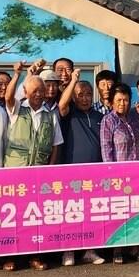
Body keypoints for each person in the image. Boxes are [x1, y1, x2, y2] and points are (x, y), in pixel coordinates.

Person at [2, 64, 64, 271]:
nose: (39, 94)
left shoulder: (51, 115)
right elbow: (8, 97)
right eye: (34, 90)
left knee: (35, 217)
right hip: (15, 172)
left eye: (41, 90)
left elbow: (56, 145)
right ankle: (10, 257)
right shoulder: (17, 108)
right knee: (13, 216)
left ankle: (35, 256)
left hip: (39, 174)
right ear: (26, 92)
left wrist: (51, 169)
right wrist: (18, 74)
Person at [54, 70, 106, 266]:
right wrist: (74, 80)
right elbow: (62, 104)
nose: (84, 98)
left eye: (87, 94)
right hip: (71, 173)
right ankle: (68, 251)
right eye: (80, 94)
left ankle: (90, 251)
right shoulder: (69, 114)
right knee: (71, 213)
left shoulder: (100, 116)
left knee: (91, 214)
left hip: (96, 174)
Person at [101, 82, 139, 264]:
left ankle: (137, 247)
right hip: (119, 177)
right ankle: (117, 249)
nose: (123, 104)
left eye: (126, 100)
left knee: (138, 212)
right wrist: (112, 176)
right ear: (112, 101)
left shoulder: (134, 118)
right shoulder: (108, 121)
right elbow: (106, 151)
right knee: (119, 213)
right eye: (119, 100)